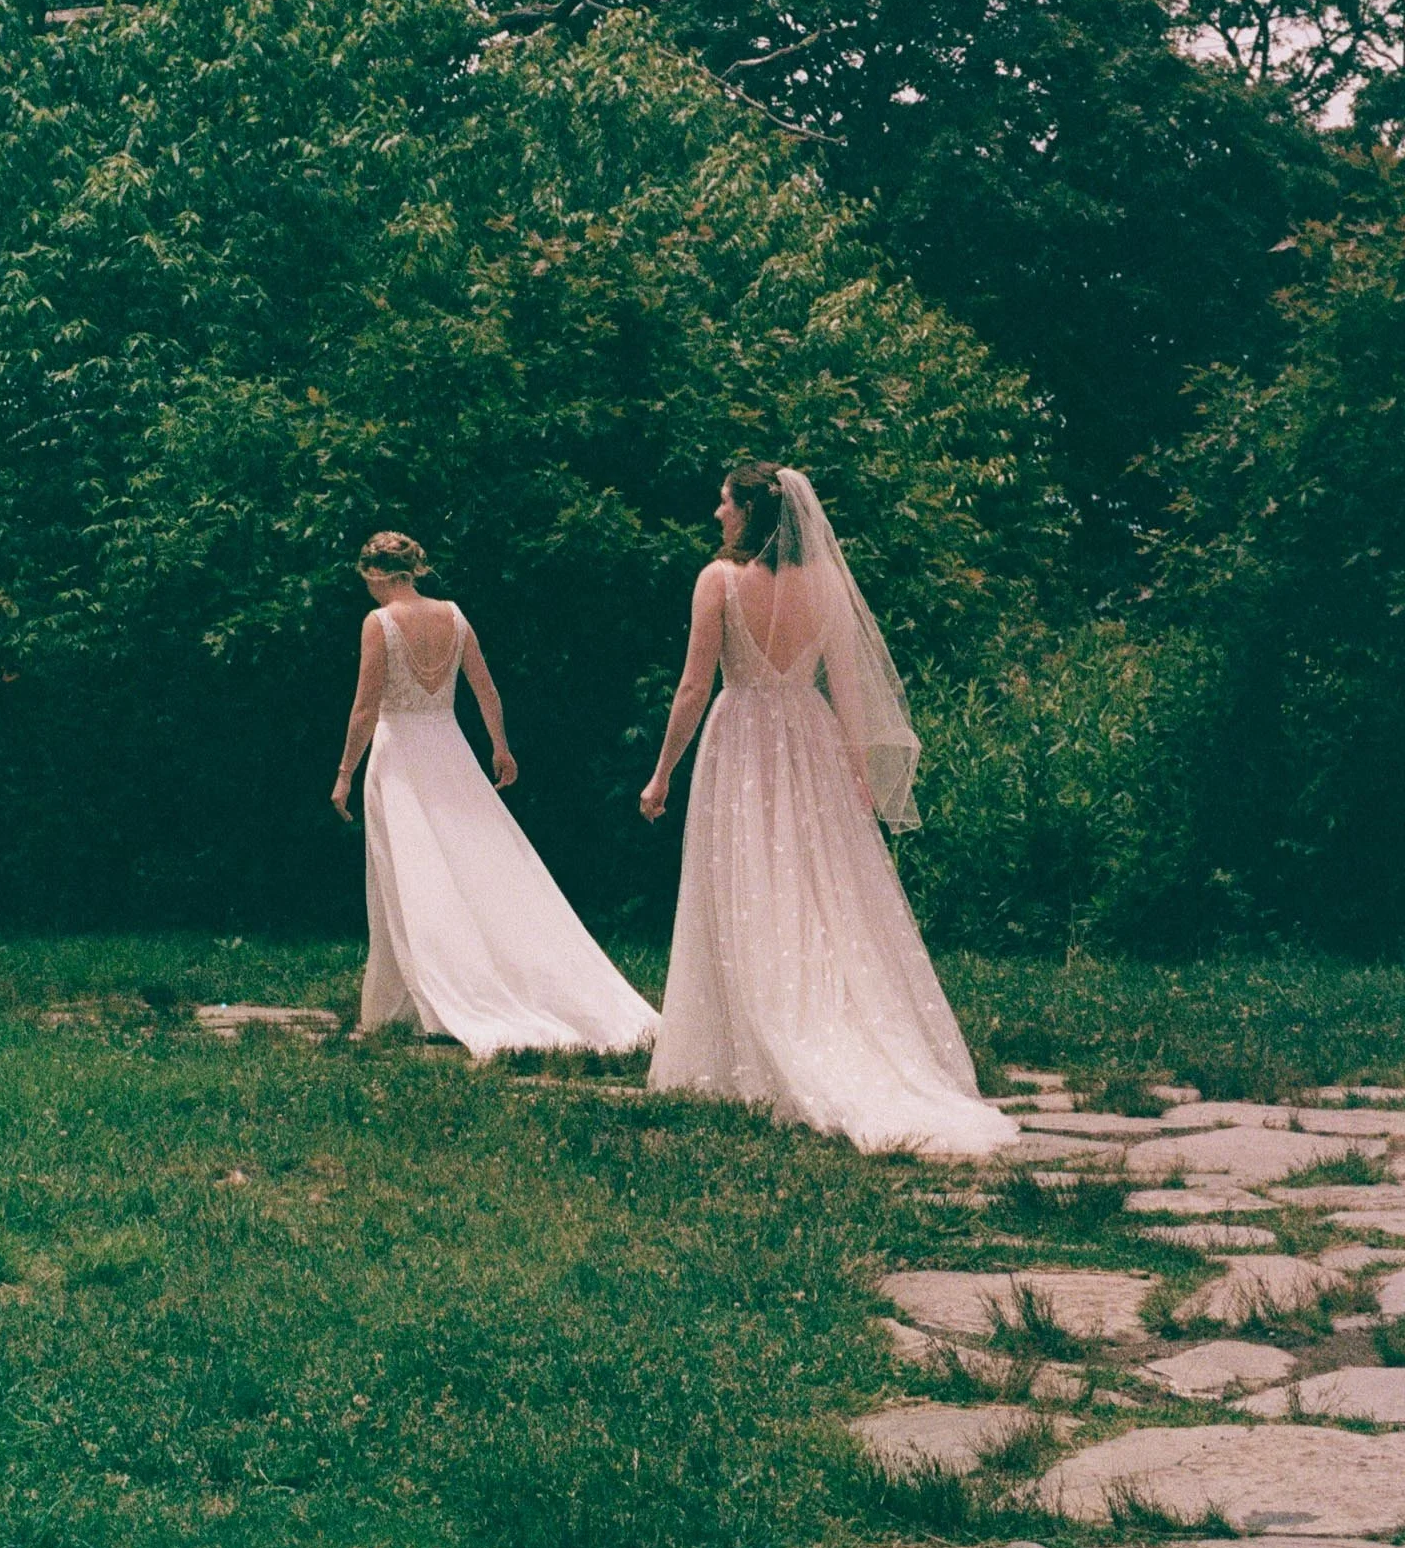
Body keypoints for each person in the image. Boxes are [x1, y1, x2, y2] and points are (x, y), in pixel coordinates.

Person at [639, 463, 1018, 1159]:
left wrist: (661, 773)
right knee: (821, 888)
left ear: (750, 512)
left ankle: (754, 1046)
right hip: (810, 740)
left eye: (725, 502)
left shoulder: (717, 580)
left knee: (750, 883)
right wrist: (857, 774)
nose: (717, 513)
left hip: (742, 739)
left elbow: (693, 686)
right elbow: (845, 687)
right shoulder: (826, 586)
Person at [333, 530, 659, 1058]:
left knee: (408, 876)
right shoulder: (455, 616)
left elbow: (365, 707)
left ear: (376, 574)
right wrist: (500, 747)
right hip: (450, 750)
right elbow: (486, 688)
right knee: (464, 868)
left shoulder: (379, 622)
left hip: (399, 760)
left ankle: (433, 1001)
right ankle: (408, 1001)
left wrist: (345, 771)